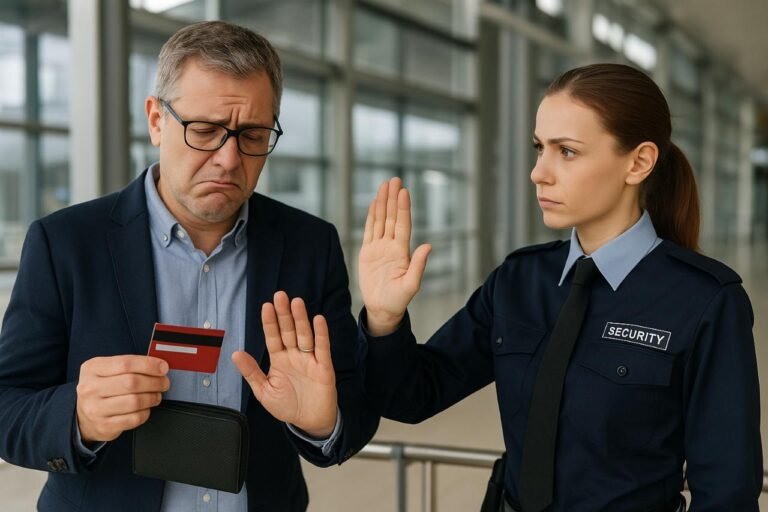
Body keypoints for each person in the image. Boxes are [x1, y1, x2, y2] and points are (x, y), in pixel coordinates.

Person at [0, 21, 378, 512]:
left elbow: (351, 413)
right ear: (156, 120)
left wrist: (323, 424)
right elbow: (8, 406)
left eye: (252, 134)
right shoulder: (66, 243)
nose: (228, 159)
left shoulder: (311, 245)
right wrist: (77, 417)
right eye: (204, 131)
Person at [357, 63, 762, 511]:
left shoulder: (705, 301)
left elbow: (726, 490)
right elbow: (414, 395)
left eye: (566, 151)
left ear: (639, 162)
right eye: (539, 148)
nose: (538, 173)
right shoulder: (518, 280)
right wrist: (384, 319)